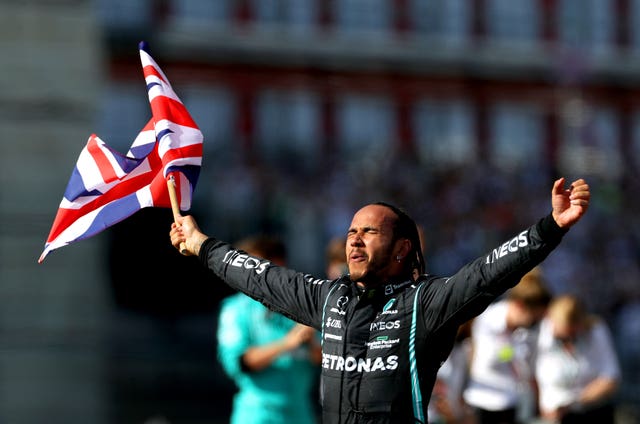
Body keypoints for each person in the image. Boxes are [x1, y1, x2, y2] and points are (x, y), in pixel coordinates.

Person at [170, 177, 590, 424]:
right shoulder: (329, 298)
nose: (355, 239)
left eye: (370, 232)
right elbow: (262, 278)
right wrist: (201, 245)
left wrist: (550, 227)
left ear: (403, 248)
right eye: (352, 231)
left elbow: (489, 272)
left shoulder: (427, 302)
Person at [216, 235, 322, 424]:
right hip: (256, 414)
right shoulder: (235, 309)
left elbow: (325, 359)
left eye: (253, 267)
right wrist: (287, 343)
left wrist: (312, 340)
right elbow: (240, 363)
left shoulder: (303, 306)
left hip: (300, 413)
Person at [463, 269, 553, 424]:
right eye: (533, 317)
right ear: (519, 305)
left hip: (511, 403)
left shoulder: (529, 332)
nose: (534, 322)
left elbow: (529, 370)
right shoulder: (488, 319)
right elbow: (488, 361)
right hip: (481, 401)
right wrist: (512, 350)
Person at [534, 295, 621, 424]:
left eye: (572, 334)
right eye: (563, 334)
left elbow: (611, 378)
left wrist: (574, 403)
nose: (568, 339)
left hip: (593, 411)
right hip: (553, 416)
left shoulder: (596, 331)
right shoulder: (540, 335)